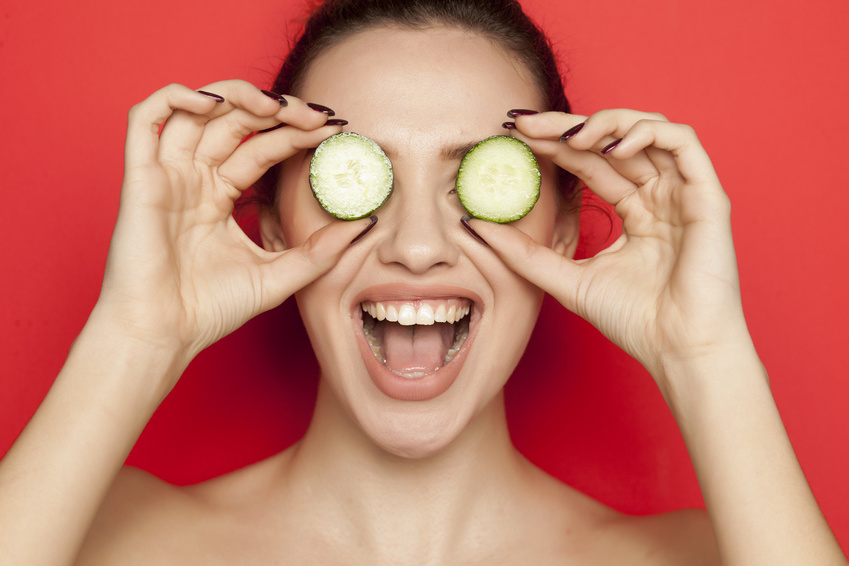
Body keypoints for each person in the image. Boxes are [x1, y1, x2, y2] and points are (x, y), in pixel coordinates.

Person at [0, 0, 845, 564]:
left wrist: (705, 355)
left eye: (473, 178)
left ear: (558, 229)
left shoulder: (714, 555)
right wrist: (135, 334)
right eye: (360, 176)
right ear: (269, 228)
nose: (414, 247)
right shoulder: (104, 539)